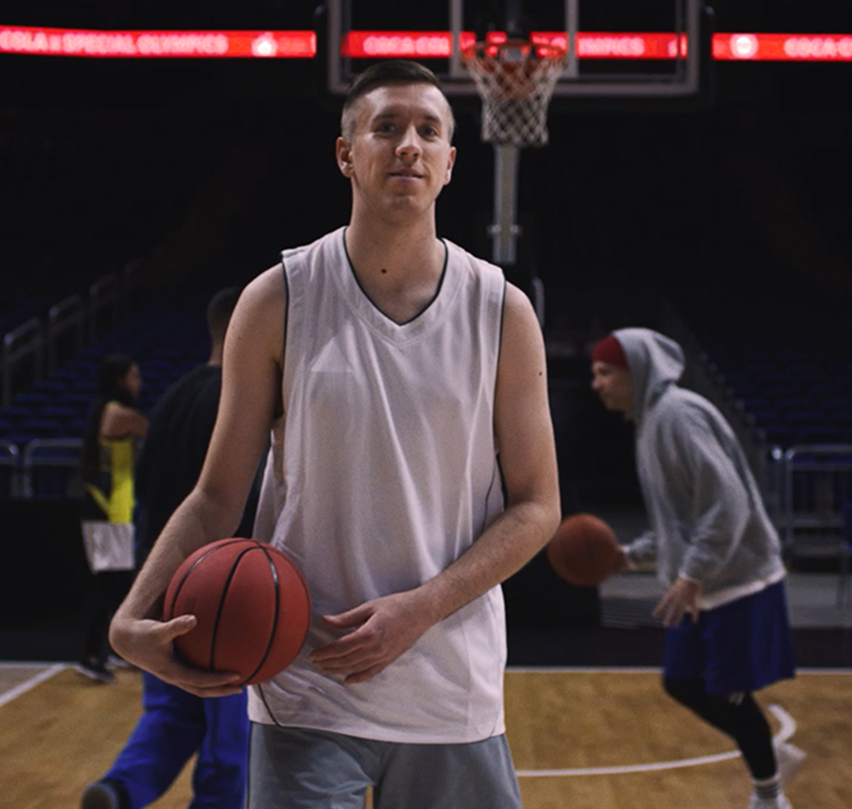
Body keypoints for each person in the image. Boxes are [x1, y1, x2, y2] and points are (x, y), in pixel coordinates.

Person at [109, 60, 561, 809]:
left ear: (451, 163)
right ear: (347, 153)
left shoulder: (502, 311)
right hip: (305, 686)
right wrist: (132, 614)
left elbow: (538, 505)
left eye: (428, 130)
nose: (408, 144)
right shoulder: (278, 298)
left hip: (452, 687)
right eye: (386, 127)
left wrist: (418, 609)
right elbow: (218, 495)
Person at [590, 329, 801, 809]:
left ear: (635, 371)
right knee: (682, 681)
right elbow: (679, 522)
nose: (596, 384)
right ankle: (768, 754)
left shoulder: (678, 415)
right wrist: (631, 556)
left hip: (737, 581)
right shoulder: (651, 423)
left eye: (604, 373)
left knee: (726, 692)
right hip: (706, 581)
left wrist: (693, 572)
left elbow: (727, 505)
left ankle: (770, 795)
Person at [81, 287, 254, 809]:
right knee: (231, 733)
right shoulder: (242, 400)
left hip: (162, 581)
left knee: (170, 713)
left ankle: (120, 789)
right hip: (223, 591)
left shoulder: (172, 398)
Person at [79, 354, 149, 683]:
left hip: (103, 506)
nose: (140, 383)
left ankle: (111, 652)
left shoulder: (102, 411)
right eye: (134, 376)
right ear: (120, 380)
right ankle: (91, 656)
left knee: (115, 587)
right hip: (112, 509)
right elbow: (158, 432)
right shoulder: (122, 416)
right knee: (108, 588)